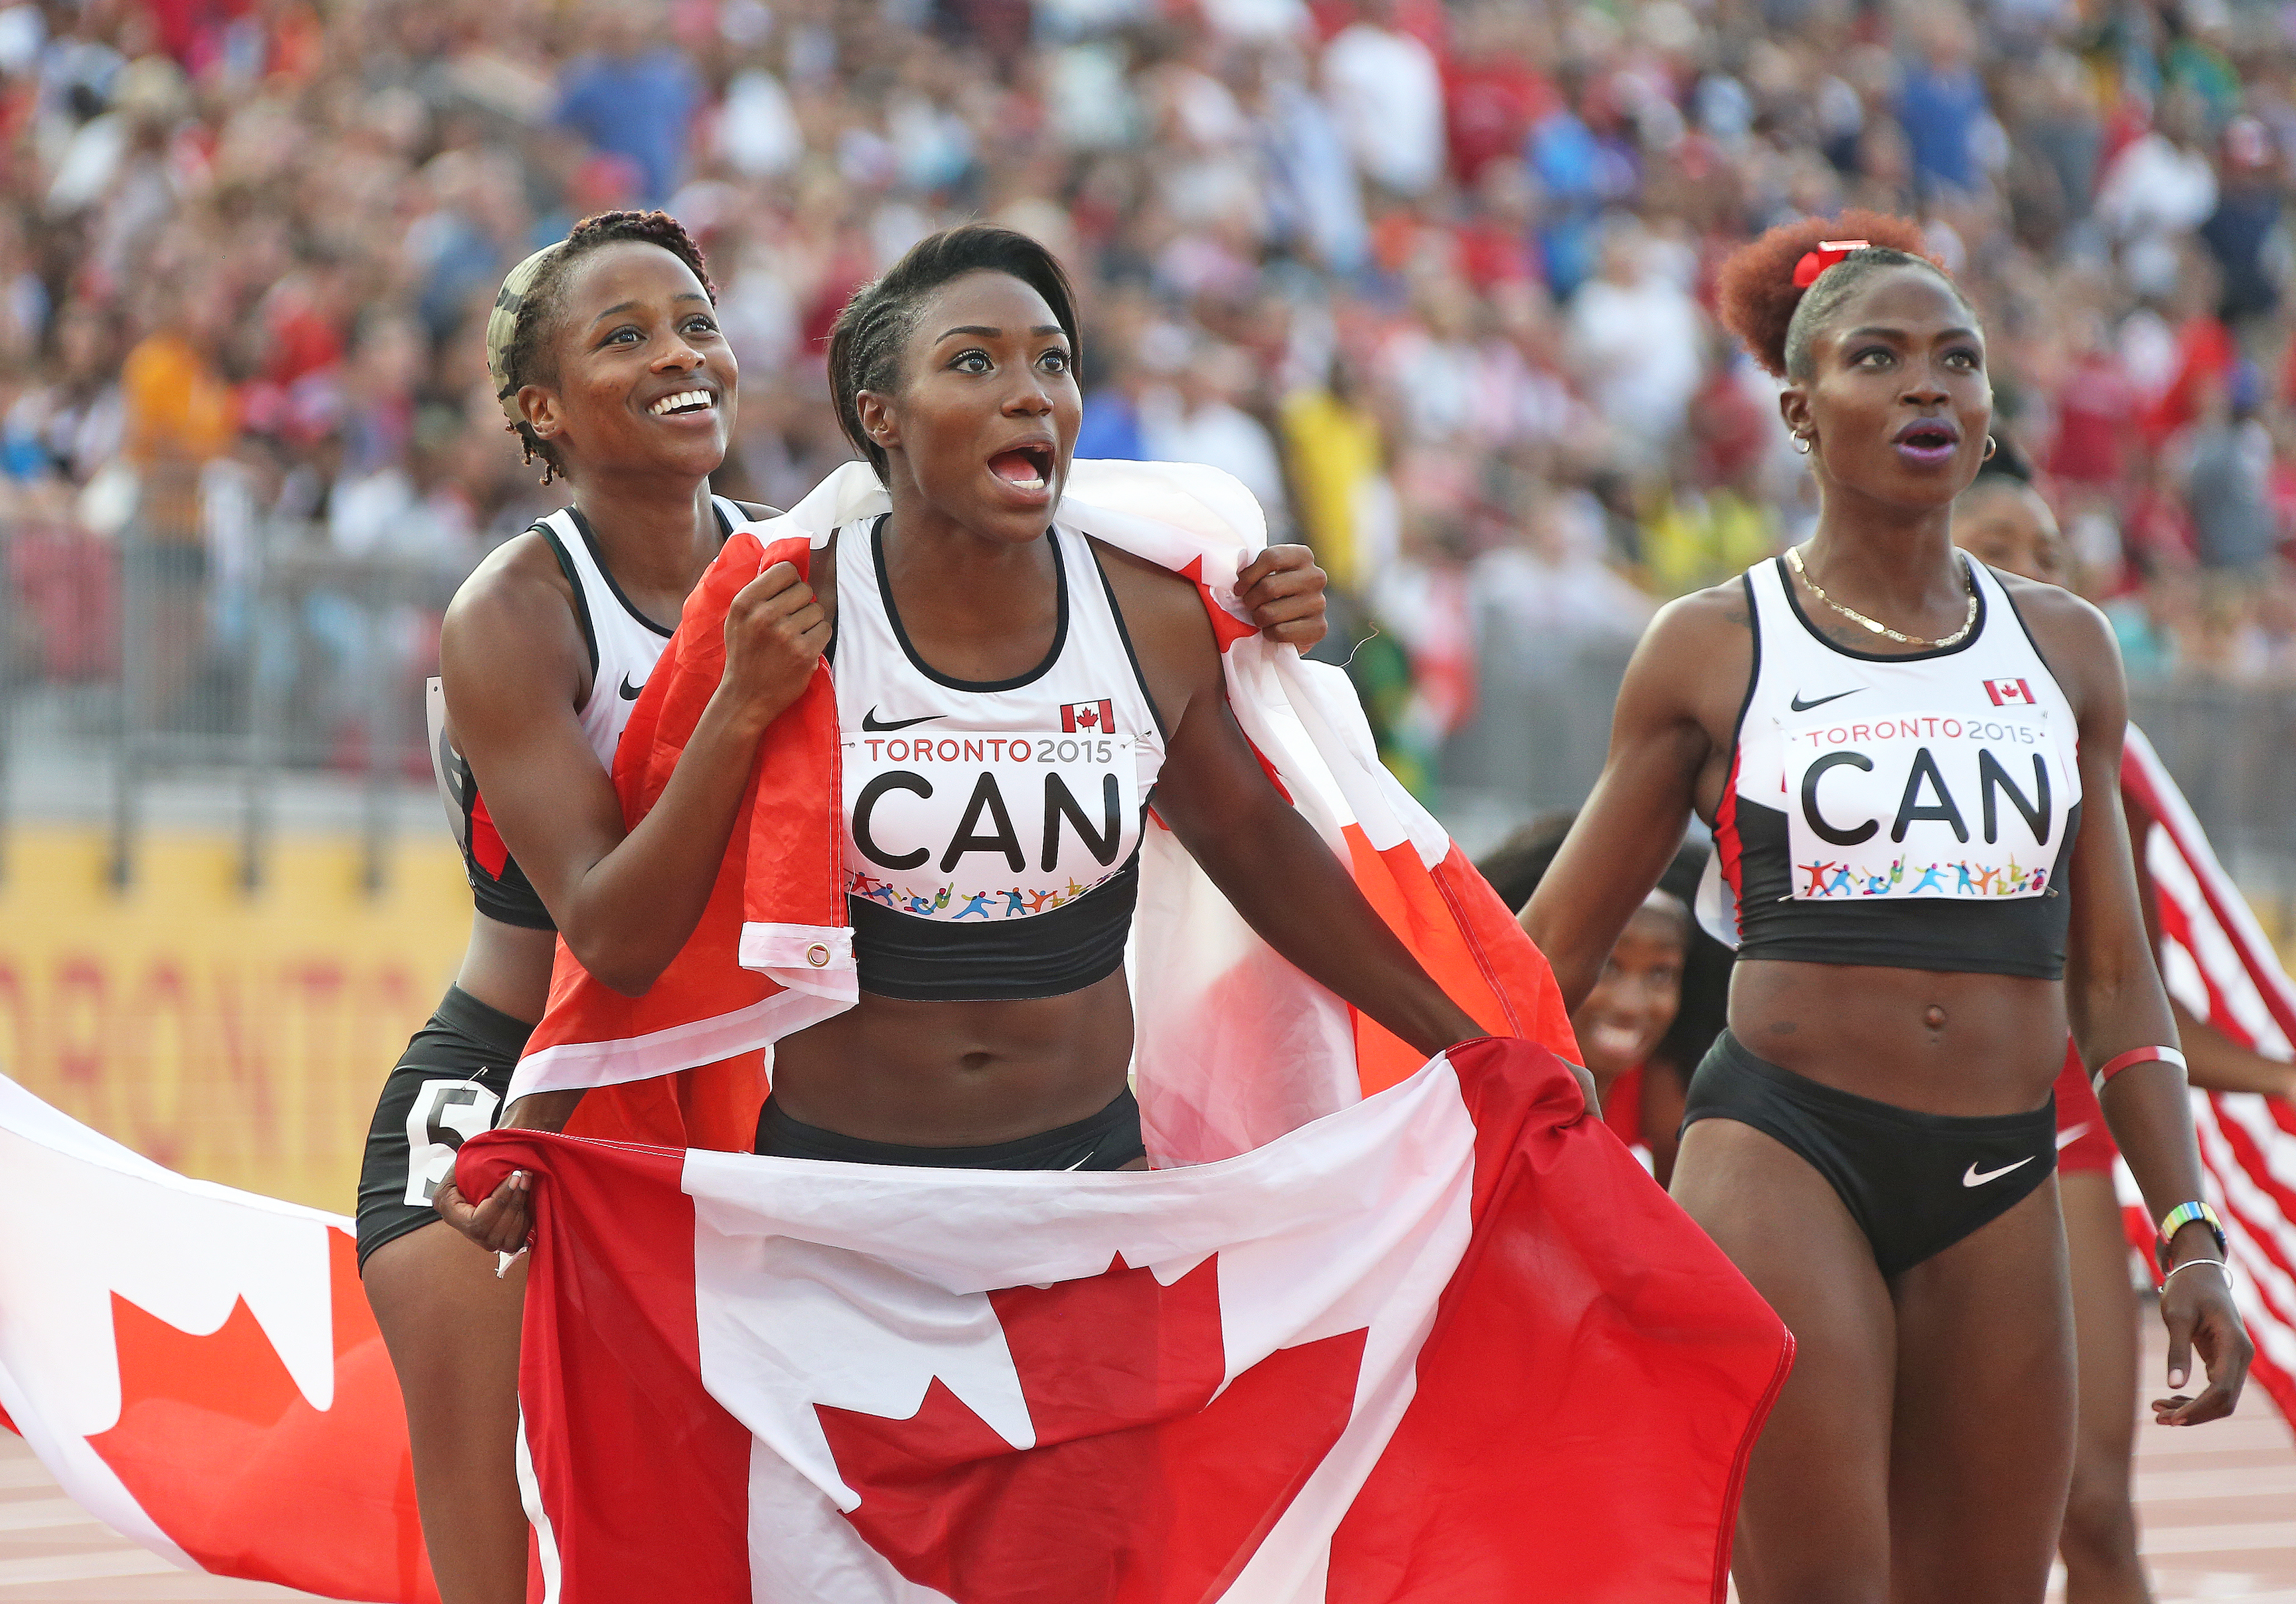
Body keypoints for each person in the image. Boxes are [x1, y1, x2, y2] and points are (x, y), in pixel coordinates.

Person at [354, 212, 1332, 1604]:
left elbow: (1059, 533)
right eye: (623, 337)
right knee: (505, 1545)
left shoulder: (811, 552)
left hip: (713, 1106)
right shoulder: (516, 607)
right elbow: (609, 940)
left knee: (701, 1540)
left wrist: (1254, 602)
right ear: (541, 408)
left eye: (695, 321)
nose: (680, 354)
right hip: (520, 1081)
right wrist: (742, 707)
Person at [445, 224, 1561, 1236]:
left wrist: (1467, 1040)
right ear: (880, 415)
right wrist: (534, 1125)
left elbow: (1262, 851)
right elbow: (628, 941)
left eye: (1054, 361)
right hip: (838, 1207)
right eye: (973, 361)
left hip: (1087, 1189)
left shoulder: (1152, 611)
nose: (1028, 392)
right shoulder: (790, 608)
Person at [1520, 211, 2252, 1602]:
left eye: (1958, 361)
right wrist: (1446, 1155)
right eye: (1881, 358)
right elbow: (1550, 946)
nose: (1929, 386)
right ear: (1800, 411)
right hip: (1784, 1147)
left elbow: (2113, 976)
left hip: (1999, 1167)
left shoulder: (2067, 648)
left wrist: (2190, 1227)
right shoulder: (1716, 642)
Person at [1953, 442, 2296, 1604]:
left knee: (2091, 1508)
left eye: (2048, 555)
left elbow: (2124, 996)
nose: (2029, 576)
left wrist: (2276, 1080)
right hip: (1860, 1135)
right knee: (1912, 1521)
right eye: (1995, 550)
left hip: (2057, 1140)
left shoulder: (2092, 754)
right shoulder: (1801, 707)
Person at [1478, 811, 1689, 1169]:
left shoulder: (1666, 1093)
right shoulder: (1486, 1083)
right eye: (1608, 966)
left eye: (1660, 974)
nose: (1630, 1006)